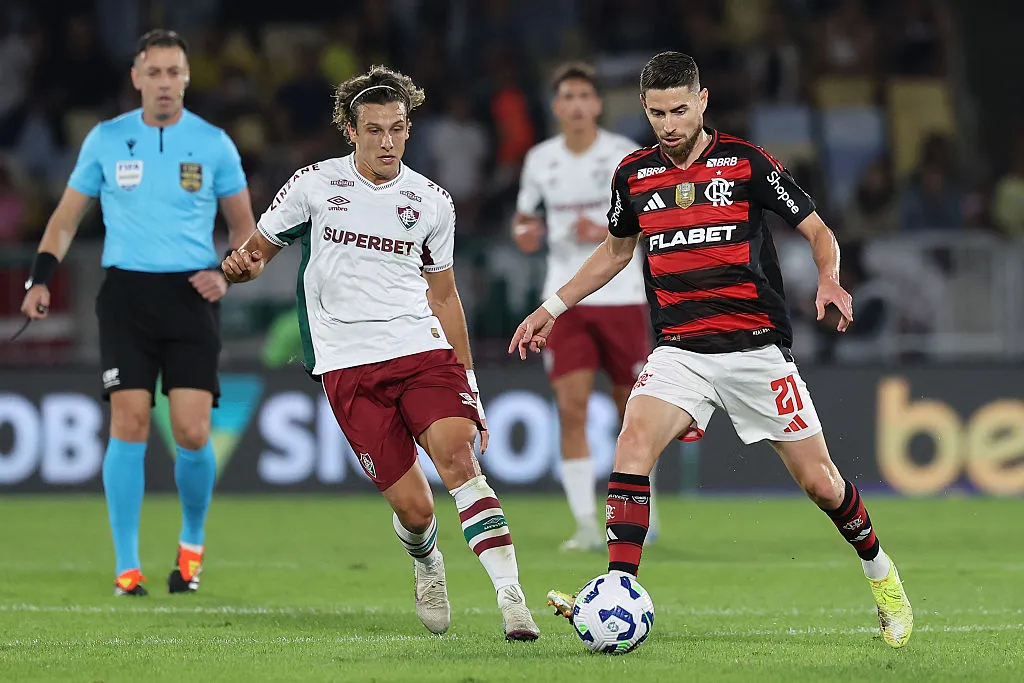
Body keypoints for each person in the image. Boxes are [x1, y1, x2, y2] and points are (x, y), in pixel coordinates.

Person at [510, 51, 913, 648]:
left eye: (679, 109)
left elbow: (817, 229)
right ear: (645, 111)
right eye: (657, 113)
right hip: (682, 352)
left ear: (701, 102)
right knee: (633, 441)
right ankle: (621, 588)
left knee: (822, 484)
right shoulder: (633, 175)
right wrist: (552, 307)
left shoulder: (746, 163)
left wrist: (829, 277)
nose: (669, 123)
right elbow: (617, 252)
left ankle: (885, 581)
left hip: (755, 350)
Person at [221, 65, 540, 641]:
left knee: (459, 460)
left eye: (397, 128)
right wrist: (240, 267)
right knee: (416, 510)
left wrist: (469, 381)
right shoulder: (314, 185)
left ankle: (511, 598)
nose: (387, 141)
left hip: (421, 348)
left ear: (409, 130)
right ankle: (426, 561)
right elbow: (258, 253)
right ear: (350, 130)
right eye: (374, 130)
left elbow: (444, 295)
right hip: (347, 362)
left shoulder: (431, 201)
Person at [20, 30, 256, 596]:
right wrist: (39, 278)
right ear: (137, 78)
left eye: (175, 72)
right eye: (155, 72)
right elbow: (65, 219)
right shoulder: (106, 140)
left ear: (187, 78)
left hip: (190, 298)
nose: (165, 83)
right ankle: (127, 567)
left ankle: (191, 548)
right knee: (126, 422)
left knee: (193, 433)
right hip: (125, 296)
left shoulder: (215, 143)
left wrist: (226, 273)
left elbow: (248, 231)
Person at [512, 62, 656, 552]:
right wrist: (524, 234)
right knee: (571, 409)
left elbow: (648, 223)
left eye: (583, 96)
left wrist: (609, 234)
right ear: (556, 107)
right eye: (567, 97)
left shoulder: (625, 156)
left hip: (621, 296)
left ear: (597, 104)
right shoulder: (539, 160)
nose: (575, 105)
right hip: (564, 300)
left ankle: (637, 513)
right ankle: (587, 525)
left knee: (632, 412)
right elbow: (524, 221)